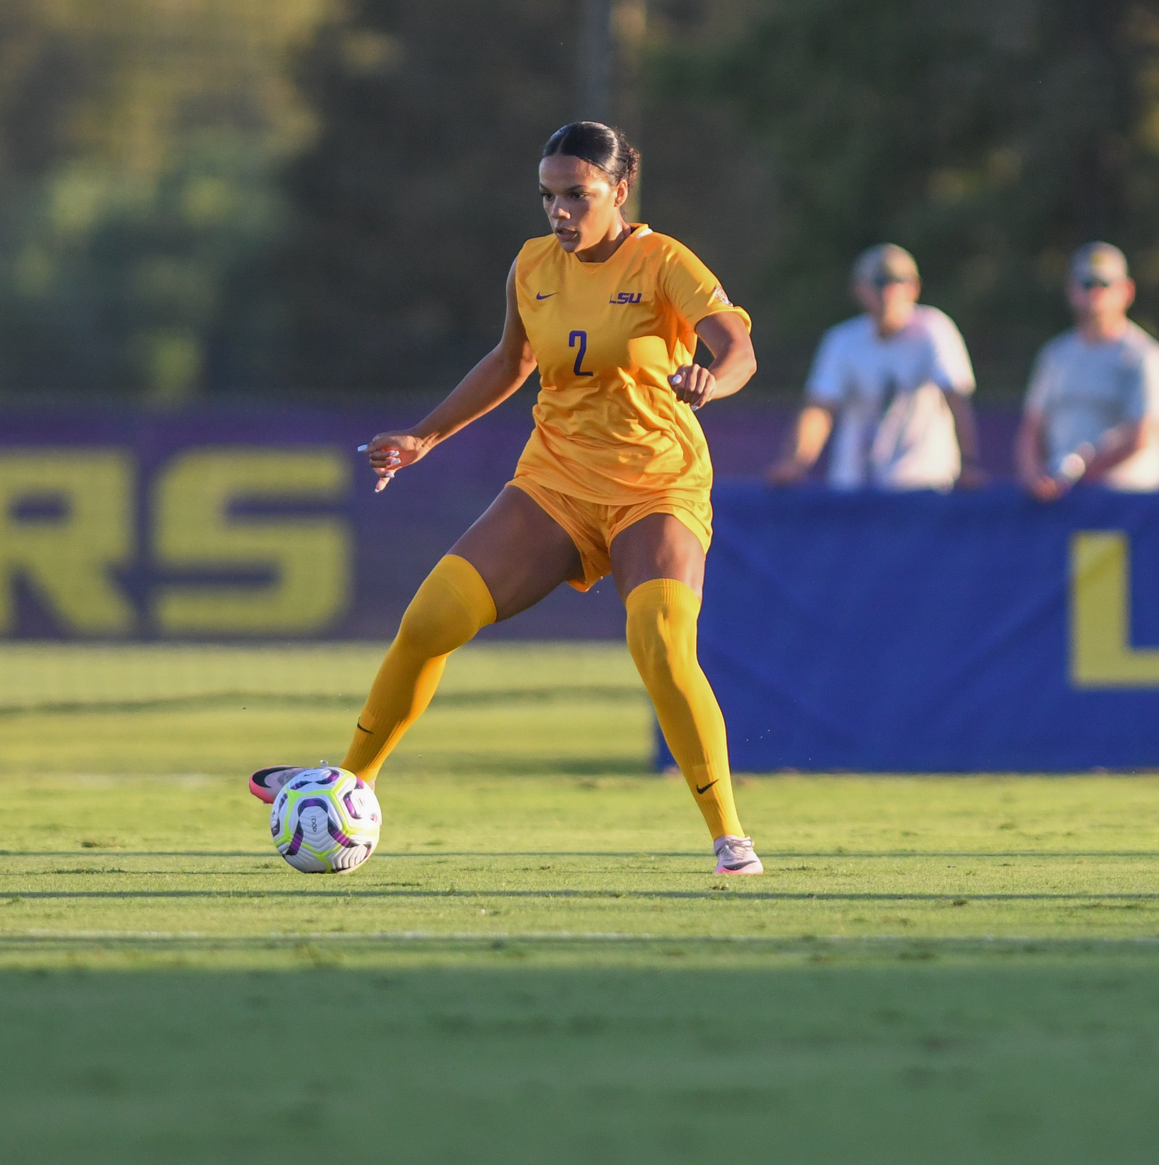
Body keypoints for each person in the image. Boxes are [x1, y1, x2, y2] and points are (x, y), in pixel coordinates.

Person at [250, 121, 766, 875]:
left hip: (655, 483)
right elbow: (509, 361)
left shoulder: (664, 262)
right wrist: (425, 437)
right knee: (428, 620)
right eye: (548, 195)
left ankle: (729, 837)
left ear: (619, 192)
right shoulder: (532, 266)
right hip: (556, 480)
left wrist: (711, 379)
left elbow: (740, 347)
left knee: (658, 641)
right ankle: (346, 783)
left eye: (577, 195)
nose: (559, 211)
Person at [766, 244, 983, 490]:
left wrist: (969, 462)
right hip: (855, 486)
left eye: (901, 281)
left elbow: (955, 395)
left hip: (923, 483)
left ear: (915, 288)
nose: (890, 291)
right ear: (859, 290)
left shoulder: (934, 330)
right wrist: (794, 464)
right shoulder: (843, 340)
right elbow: (820, 407)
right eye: (880, 282)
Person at [1017, 242, 1159, 499]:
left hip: (1124, 506)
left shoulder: (1144, 356)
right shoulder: (1055, 355)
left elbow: (1145, 434)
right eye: (1086, 284)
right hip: (1064, 504)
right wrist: (1035, 476)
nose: (1094, 293)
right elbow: (1032, 428)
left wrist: (1078, 474)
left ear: (1127, 290)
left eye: (1104, 284)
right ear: (1071, 290)